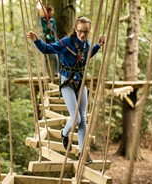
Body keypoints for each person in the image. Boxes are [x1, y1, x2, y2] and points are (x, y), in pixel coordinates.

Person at [27, 16, 105, 164]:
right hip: (67, 83)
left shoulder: (86, 44)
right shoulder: (66, 43)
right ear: (75, 29)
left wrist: (98, 46)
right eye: (81, 31)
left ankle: (82, 153)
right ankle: (64, 133)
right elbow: (47, 49)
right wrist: (36, 40)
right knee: (76, 118)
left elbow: (87, 57)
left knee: (83, 120)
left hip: (81, 83)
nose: (83, 35)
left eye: (86, 32)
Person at [39, 5, 60, 77]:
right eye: (51, 12)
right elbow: (41, 29)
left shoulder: (52, 20)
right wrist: (45, 33)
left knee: (55, 56)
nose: (52, 13)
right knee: (45, 57)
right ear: (47, 12)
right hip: (45, 40)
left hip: (52, 40)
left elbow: (55, 30)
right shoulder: (41, 20)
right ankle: (46, 73)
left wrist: (55, 39)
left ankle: (56, 72)